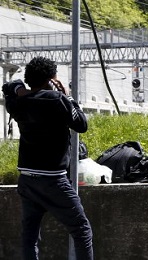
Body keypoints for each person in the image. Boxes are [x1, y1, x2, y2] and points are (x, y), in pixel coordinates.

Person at [2, 56, 93, 259]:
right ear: (50, 80)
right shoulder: (57, 100)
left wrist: (23, 90)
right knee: (81, 229)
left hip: (27, 179)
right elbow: (81, 125)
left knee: (30, 236)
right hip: (53, 180)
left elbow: (9, 86)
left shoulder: (17, 102)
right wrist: (67, 95)